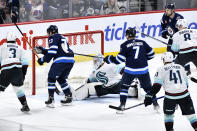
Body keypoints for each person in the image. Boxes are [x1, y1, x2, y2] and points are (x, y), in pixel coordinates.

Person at [103, 27, 159, 110]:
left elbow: (119, 60)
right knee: (148, 88)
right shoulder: (143, 42)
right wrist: (143, 58)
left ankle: (122, 105)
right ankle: (156, 105)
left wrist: (109, 59)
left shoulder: (124, 45)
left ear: (127, 35)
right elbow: (152, 54)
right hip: (143, 69)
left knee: (124, 87)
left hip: (130, 70)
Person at [144, 52, 197, 131]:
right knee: (191, 116)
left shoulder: (161, 69)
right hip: (185, 95)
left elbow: (157, 86)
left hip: (170, 97)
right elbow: (186, 84)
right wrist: (178, 93)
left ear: (164, 59)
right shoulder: (181, 67)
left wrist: (150, 95)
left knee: (168, 116)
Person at [35, 25, 75, 108]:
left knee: (51, 78)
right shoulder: (62, 37)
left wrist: (42, 60)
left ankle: (51, 100)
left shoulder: (52, 37)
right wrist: (43, 51)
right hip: (70, 60)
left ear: (50, 32)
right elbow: (58, 51)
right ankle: (68, 97)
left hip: (61, 61)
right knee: (61, 78)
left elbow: (53, 52)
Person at [74, 54, 139, 100]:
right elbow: (123, 69)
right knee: (132, 87)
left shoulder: (94, 73)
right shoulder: (110, 65)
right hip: (117, 86)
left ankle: (74, 95)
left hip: (105, 89)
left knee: (90, 88)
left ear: (98, 61)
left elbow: (88, 81)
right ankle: (134, 87)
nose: (94, 63)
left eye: (95, 61)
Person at [0, 32, 29, 112]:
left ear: (6, 40)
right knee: (18, 89)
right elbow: (25, 63)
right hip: (18, 71)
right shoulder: (20, 48)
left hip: (7, 70)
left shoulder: (2, 47)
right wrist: (23, 75)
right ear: (16, 40)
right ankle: (25, 105)